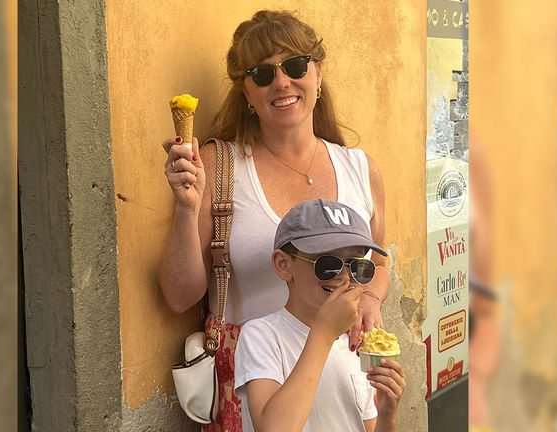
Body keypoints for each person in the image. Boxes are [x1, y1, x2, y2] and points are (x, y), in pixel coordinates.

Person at [159, 10, 389, 430]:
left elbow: (379, 262)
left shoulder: (360, 168)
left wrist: (370, 300)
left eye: (296, 66)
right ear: (246, 93)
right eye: (262, 74)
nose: (281, 82)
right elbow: (179, 297)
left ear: (318, 75)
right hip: (255, 387)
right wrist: (186, 208)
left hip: (345, 381)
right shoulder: (220, 166)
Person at [234, 199, 405, 431]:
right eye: (328, 263)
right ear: (284, 265)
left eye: (357, 266)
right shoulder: (262, 336)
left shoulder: (355, 344)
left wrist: (388, 413)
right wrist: (324, 333)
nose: (345, 277)